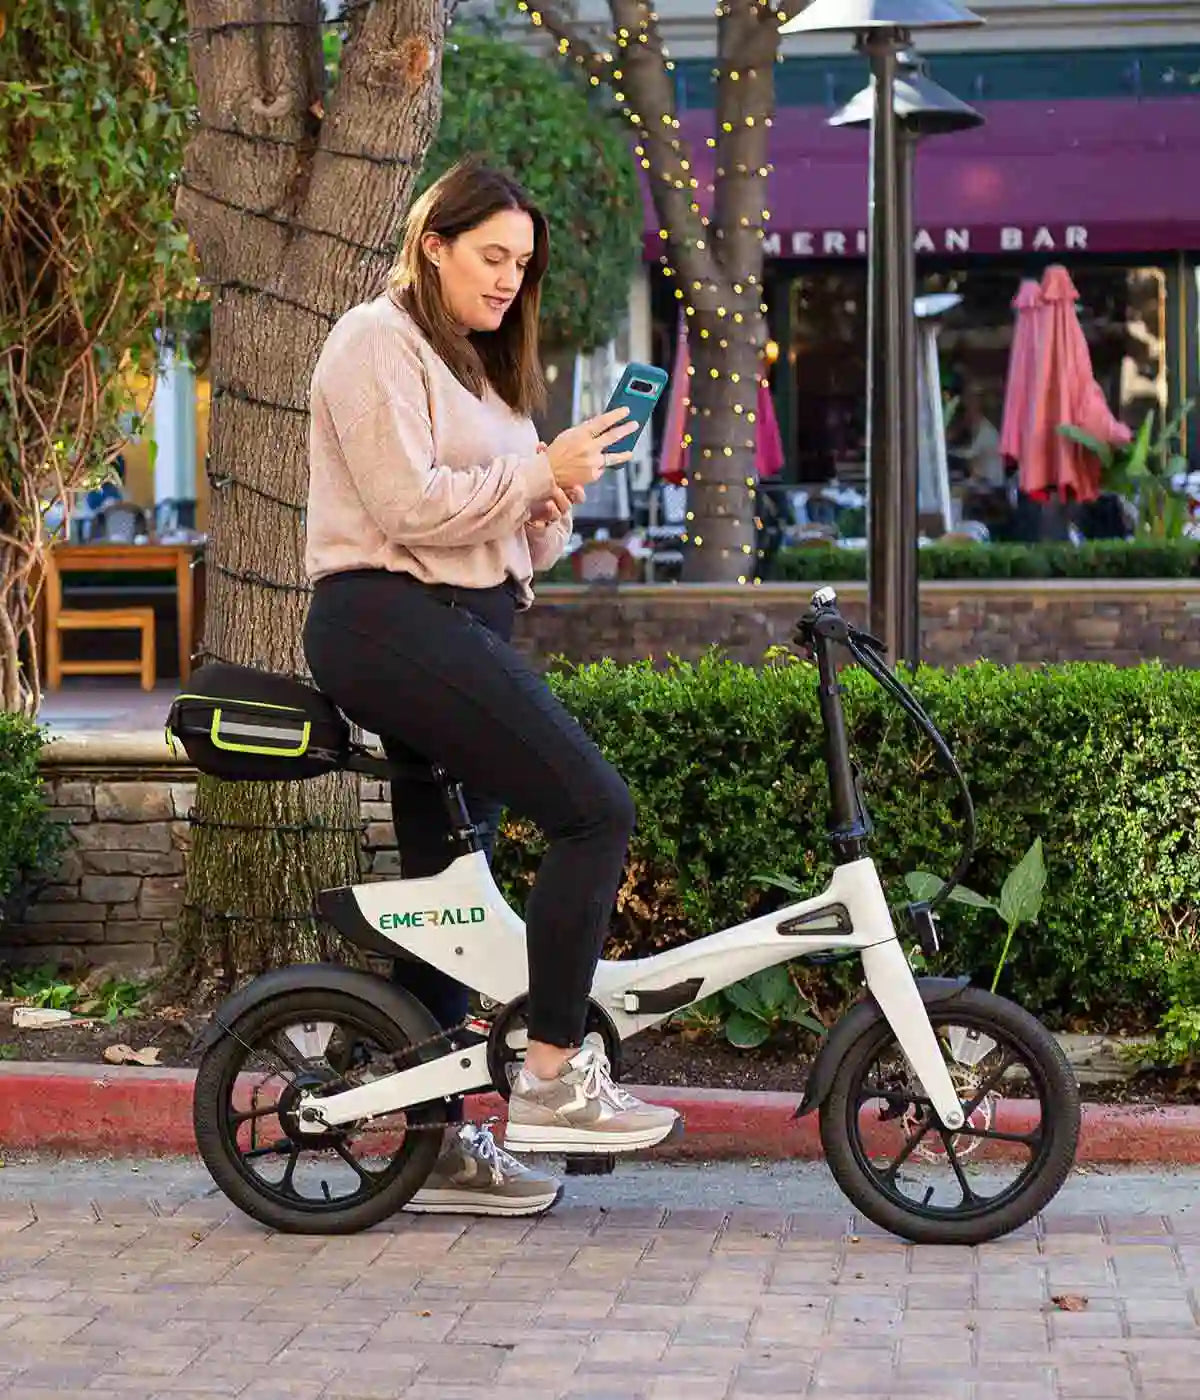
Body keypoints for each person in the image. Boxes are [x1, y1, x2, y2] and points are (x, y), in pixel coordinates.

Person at [302, 159, 680, 1217]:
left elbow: (507, 537)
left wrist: (553, 497)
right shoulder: (373, 339)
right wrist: (534, 472)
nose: (511, 277)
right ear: (434, 244)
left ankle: (434, 1148)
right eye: (492, 255)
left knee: (448, 897)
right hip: (388, 620)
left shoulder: (479, 364)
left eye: (523, 262)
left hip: (459, 622)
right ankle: (553, 1076)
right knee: (595, 810)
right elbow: (409, 505)